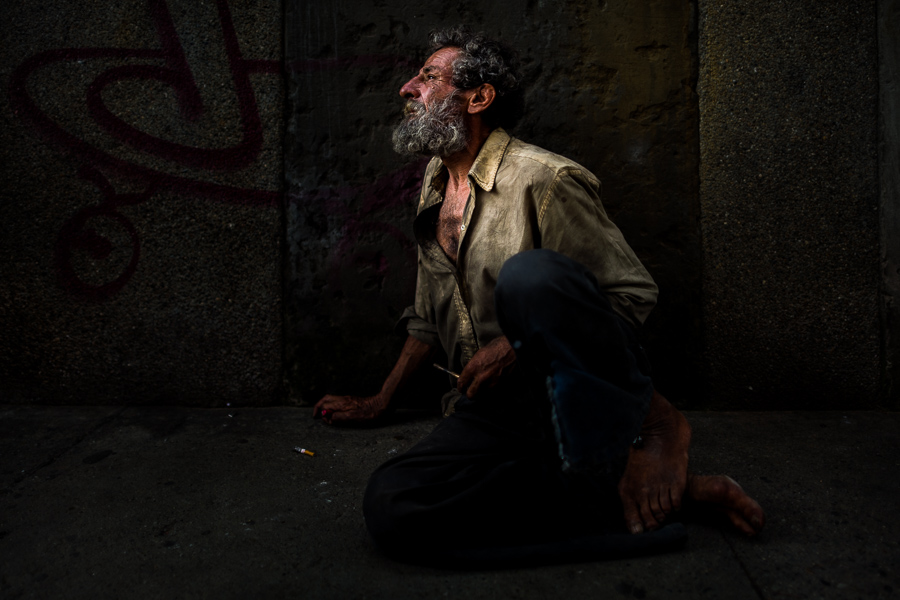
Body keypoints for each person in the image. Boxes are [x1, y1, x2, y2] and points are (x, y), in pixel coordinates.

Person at [314, 26, 764, 566]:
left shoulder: (544, 179)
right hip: (491, 409)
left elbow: (631, 295)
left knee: (529, 279)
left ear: (479, 98)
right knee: (391, 507)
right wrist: (380, 401)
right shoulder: (435, 183)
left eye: (428, 77)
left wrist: (516, 347)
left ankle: (659, 424)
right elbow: (428, 319)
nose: (408, 88)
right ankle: (667, 493)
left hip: (568, 395)